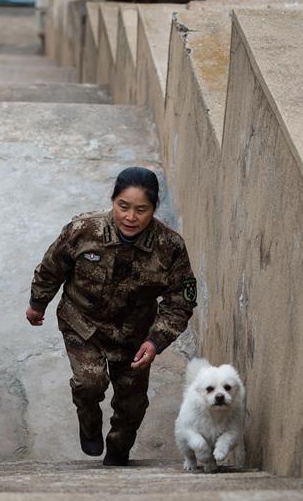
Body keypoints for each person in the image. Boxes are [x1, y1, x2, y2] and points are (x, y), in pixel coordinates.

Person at [26, 167, 196, 466]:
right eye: (123, 206)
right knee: (89, 383)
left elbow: (180, 301)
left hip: (134, 335)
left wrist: (156, 341)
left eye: (141, 210)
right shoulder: (83, 230)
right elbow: (52, 267)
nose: (130, 217)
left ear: (154, 209)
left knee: (131, 405)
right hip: (83, 323)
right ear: (113, 201)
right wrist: (37, 303)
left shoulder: (170, 247)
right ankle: (89, 421)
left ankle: (117, 454)